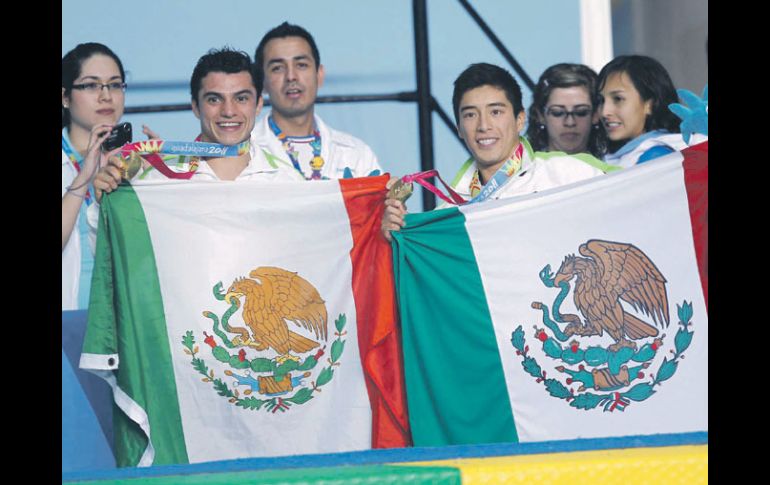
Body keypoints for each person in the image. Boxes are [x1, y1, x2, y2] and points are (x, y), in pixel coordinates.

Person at [381, 63, 619, 241]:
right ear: (459, 129)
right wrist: (397, 235)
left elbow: (637, 195)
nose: (484, 125)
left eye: (495, 112)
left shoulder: (570, 174)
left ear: (520, 120)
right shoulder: (450, 213)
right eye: (470, 115)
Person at [93, 47, 297, 201]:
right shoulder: (155, 179)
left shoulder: (286, 179)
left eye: (241, 98)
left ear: (258, 104)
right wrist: (108, 200)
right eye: (214, 99)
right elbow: (118, 248)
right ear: (196, 107)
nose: (228, 111)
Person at [251, 22, 381, 180]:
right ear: (262, 82)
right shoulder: (244, 152)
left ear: (319, 75)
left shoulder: (355, 154)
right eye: (278, 68)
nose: (291, 76)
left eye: (301, 65)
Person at [62, 43, 127, 310]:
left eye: (114, 85)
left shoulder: (140, 161)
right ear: (65, 97)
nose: (106, 96)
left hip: (123, 321)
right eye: (90, 85)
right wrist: (83, 177)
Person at [597, 55, 693, 168]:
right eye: (601, 100)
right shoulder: (621, 154)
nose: (604, 112)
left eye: (618, 99)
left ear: (650, 104)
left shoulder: (656, 157)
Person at [525, 63, 606, 159]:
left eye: (581, 112)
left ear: (596, 115)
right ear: (541, 115)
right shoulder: (523, 172)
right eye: (557, 113)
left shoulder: (615, 171)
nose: (570, 122)